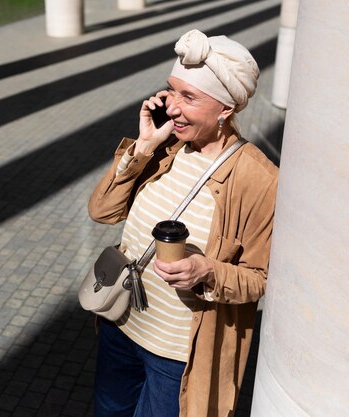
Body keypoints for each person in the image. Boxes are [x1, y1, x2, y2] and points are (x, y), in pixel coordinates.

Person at [87, 29, 279, 417]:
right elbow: (102, 211)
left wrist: (206, 271)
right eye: (170, 91)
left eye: (189, 97)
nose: (171, 107)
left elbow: (260, 278)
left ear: (226, 108)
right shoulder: (164, 149)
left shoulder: (259, 179)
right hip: (120, 324)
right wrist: (143, 146)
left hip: (177, 356)